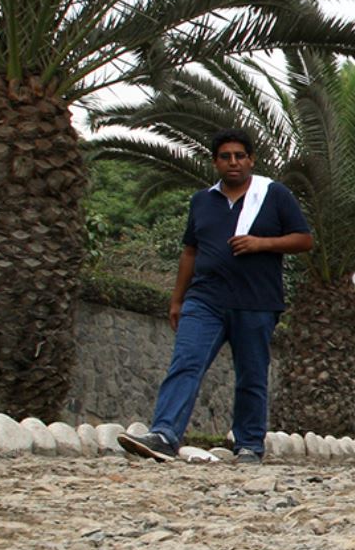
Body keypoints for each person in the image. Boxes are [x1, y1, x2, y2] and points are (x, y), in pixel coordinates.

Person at [119, 131, 313, 464]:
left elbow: (304, 240)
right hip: (204, 299)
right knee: (186, 362)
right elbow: (190, 251)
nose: (233, 162)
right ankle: (164, 435)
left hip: (256, 302)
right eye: (225, 156)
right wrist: (177, 299)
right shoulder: (202, 201)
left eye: (240, 156)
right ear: (215, 162)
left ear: (251, 160)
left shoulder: (273, 194)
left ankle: (249, 444)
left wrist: (261, 244)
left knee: (251, 375)